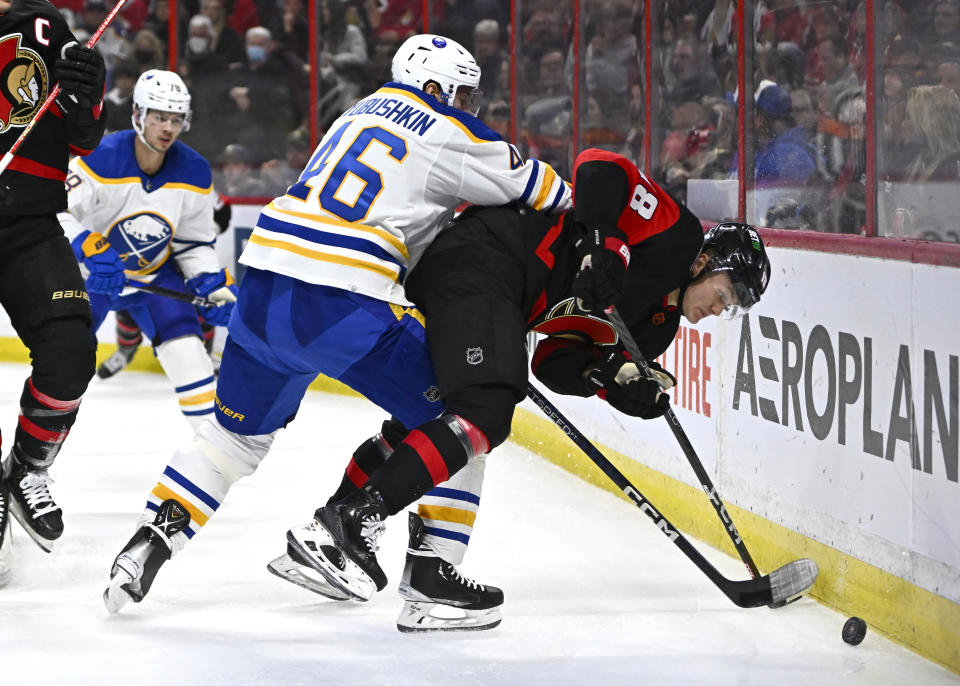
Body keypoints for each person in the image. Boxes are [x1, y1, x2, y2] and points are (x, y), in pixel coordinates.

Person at [101, 33, 571, 613]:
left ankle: (149, 542)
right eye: (461, 93)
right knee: (464, 418)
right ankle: (429, 578)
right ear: (433, 87)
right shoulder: (449, 129)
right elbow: (546, 191)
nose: (467, 106)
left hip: (264, 279)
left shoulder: (354, 112)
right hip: (338, 298)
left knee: (233, 437)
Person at [274, 149, 772, 632]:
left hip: (499, 293)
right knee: (485, 410)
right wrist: (606, 246)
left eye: (729, 307)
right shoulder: (676, 236)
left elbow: (554, 362)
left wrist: (612, 386)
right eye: (724, 293)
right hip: (487, 256)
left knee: (431, 421)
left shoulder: (657, 330)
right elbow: (601, 167)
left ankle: (336, 539)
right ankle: (356, 523)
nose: (718, 309)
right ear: (705, 261)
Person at [58, 69, 236, 429]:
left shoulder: (195, 171)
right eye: (159, 117)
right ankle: (31, 459)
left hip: (155, 279)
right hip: (93, 279)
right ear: (138, 114)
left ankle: (212, 456)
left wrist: (210, 282)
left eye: (175, 119)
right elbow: (54, 211)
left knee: (192, 360)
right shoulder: (98, 157)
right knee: (62, 365)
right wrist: (84, 244)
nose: (167, 128)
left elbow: (194, 242)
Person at [0, 0, 107, 584]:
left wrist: (86, 99)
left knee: (69, 352)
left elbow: (84, 136)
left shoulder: (44, 27)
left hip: (30, 221)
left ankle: (26, 467)